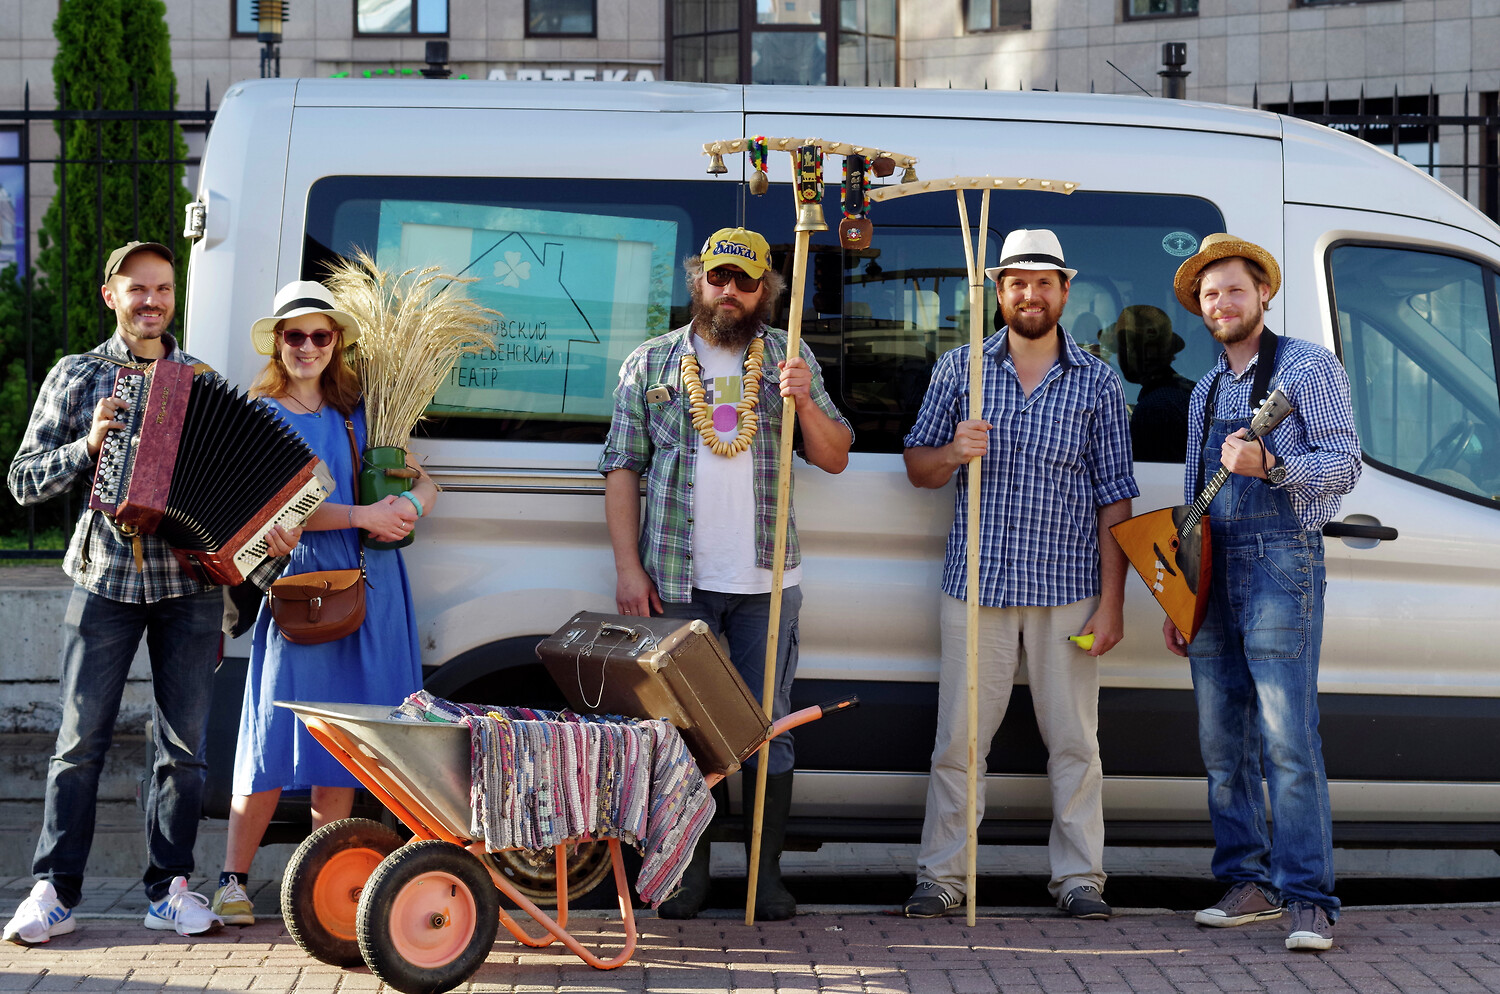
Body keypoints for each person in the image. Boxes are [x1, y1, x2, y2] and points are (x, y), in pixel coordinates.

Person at [3, 241, 295, 943]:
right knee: (78, 743)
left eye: (162, 288)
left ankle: (169, 889)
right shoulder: (76, 375)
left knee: (183, 748)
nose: (152, 301)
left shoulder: (198, 379)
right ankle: (54, 890)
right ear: (112, 296)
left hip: (187, 589)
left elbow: (236, 494)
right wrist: (86, 449)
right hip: (102, 582)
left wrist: (266, 545)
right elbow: (22, 481)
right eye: (137, 289)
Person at [599, 227, 853, 920]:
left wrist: (801, 401)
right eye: (719, 279)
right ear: (698, 283)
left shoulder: (788, 358)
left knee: (767, 727)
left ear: (765, 288)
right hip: (677, 583)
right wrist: (628, 568)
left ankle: (764, 879)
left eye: (745, 281)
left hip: (766, 584)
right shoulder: (651, 363)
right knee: (679, 730)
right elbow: (622, 468)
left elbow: (835, 456)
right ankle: (689, 874)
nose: (730, 292)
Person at [900, 229, 1137, 920]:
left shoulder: (1097, 379)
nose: (1029, 294)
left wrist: (1113, 602)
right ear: (997, 292)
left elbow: (1115, 495)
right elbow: (918, 467)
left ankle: (1079, 879)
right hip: (977, 587)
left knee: (1073, 744)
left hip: (1069, 590)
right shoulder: (959, 370)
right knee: (959, 743)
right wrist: (952, 451)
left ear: (1065, 291)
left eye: (1043, 282)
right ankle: (944, 876)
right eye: (1016, 282)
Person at [209, 280, 435, 927]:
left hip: (373, 584)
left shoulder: (358, 412)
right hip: (305, 585)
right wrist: (366, 512)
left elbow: (425, 480)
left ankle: (316, 883)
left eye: (320, 335)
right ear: (277, 344)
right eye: (294, 335)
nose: (307, 346)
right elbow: (279, 509)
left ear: (336, 344)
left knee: (346, 744)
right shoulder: (263, 413)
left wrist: (408, 508)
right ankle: (231, 880)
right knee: (275, 734)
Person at [1163, 233, 1360, 952]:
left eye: (1234, 290)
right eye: (1209, 295)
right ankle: (1247, 882)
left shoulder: (1307, 366)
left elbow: (1345, 463)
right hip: (1212, 571)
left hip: (1283, 564)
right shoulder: (1206, 389)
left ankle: (1310, 898)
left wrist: (1272, 465)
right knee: (1223, 744)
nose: (1222, 303)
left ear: (1263, 293)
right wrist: (1182, 591)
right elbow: (1194, 495)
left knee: (1286, 740)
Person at [1109, 304, 1195, 463]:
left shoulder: (1154, 408)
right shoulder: (1193, 390)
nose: (1119, 357)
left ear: (1135, 352)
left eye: (1122, 348)